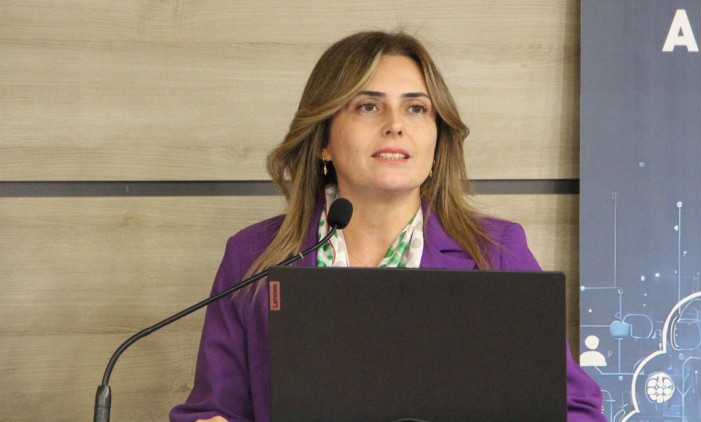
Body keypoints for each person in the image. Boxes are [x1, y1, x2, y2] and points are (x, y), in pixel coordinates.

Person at [170, 30, 604, 421]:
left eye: (416, 108)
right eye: (369, 106)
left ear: (437, 140)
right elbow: (212, 409)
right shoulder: (252, 255)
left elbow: (575, 410)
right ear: (323, 140)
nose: (395, 125)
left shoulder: (496, 251)